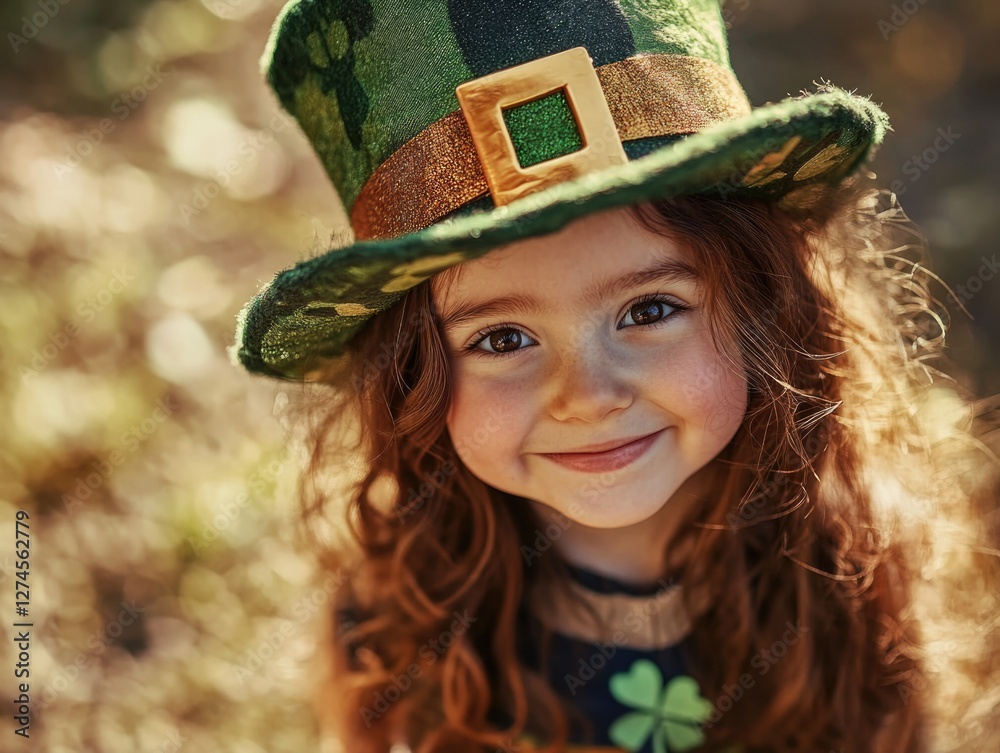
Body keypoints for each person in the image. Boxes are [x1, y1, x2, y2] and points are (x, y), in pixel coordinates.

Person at [229, 1, 1000, 751]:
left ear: (765, 311)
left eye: (649, 309)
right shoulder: (410, 611)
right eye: (502, 337)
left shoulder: (847, 570)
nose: (590, 396)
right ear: (414, 378)